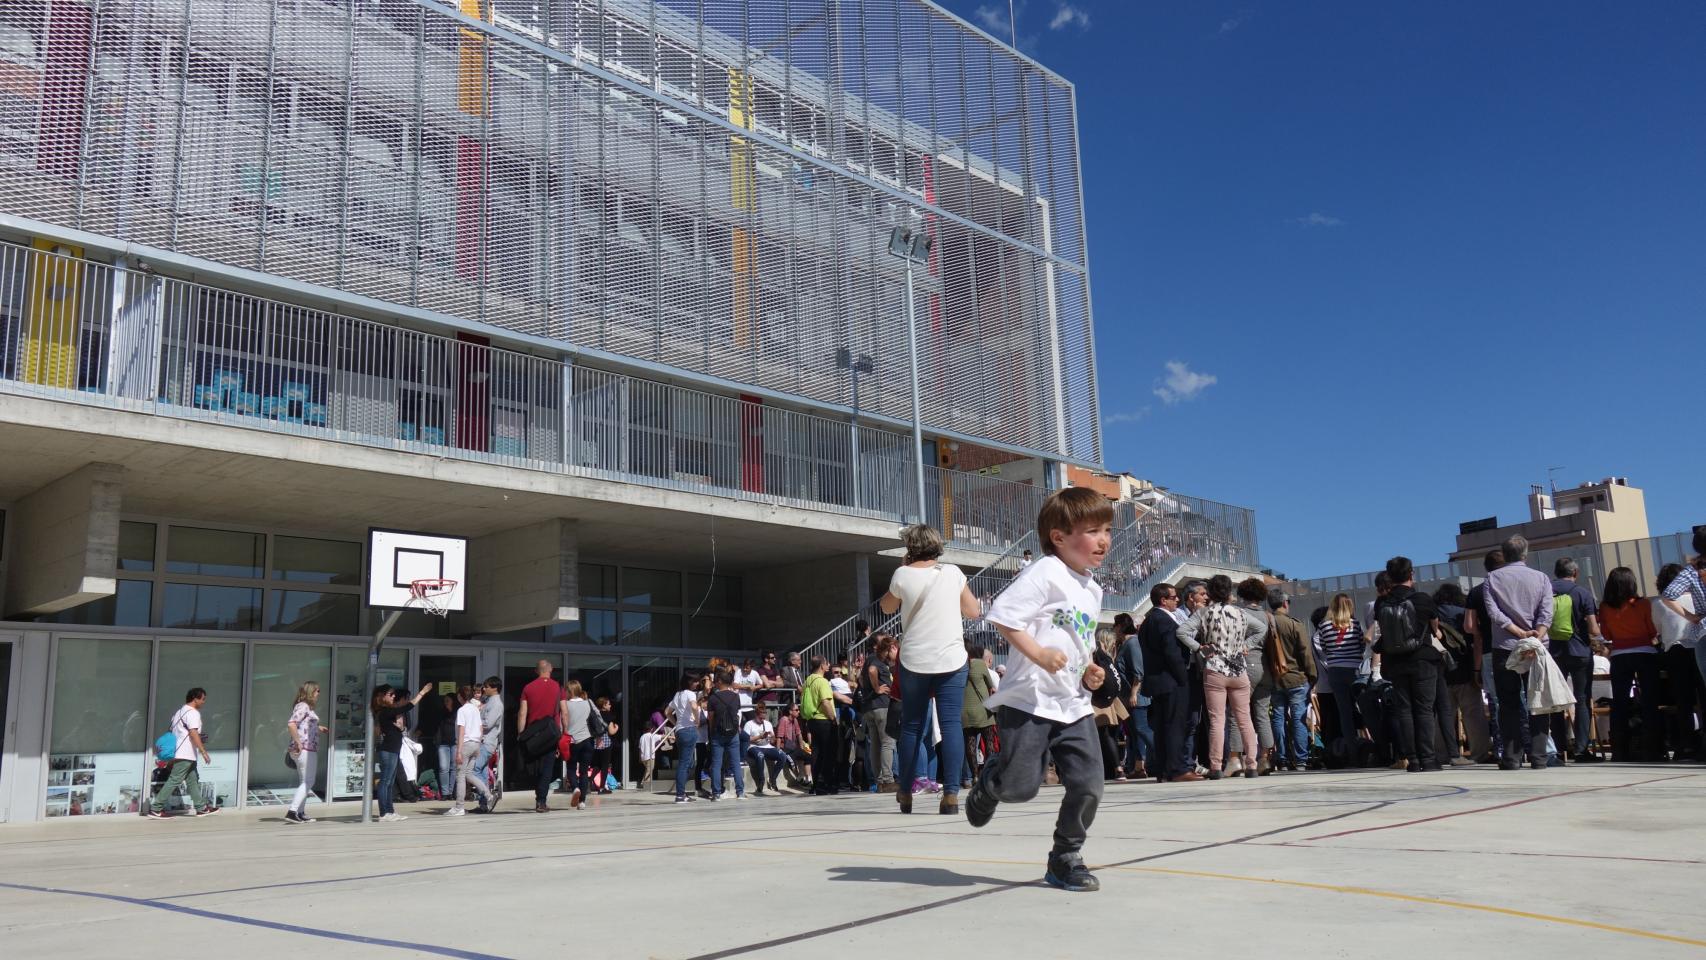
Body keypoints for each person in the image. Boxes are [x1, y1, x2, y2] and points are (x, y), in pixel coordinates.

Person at [966, 486, 1113, 893]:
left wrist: (1091, 670)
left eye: (1106, 530)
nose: (1103, 540)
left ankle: (1065, 857)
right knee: (1020, 788)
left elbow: (1080, 641)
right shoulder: (1044, 572)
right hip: (1030, 700)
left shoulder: (1093, 588)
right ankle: (993, 779)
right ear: (1059, 537)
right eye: (1092, 530)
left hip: (1073, 703)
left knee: (1088, 785)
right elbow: (1003, 617)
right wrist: (1039, 654)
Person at [879, 523, 980, 815]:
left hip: (915, 660)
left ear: (910, 548)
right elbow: (973, 611)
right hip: (951, 658)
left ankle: (906, 792)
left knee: (911, 726)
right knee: (950, 725)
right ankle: (950, 794)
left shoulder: (902, 574)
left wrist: (902, 570)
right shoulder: (952, 573)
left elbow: (886, 607)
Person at [1483, 536, 1555, 770]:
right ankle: (1539, 756)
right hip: (1536, 646)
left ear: (1504, 555)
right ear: (1526, 553)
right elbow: (1547, 611)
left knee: (1508, 702)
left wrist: (1516, 631)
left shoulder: (1492, 578)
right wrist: (1537, 633)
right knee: (1538, 700)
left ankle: (1512, 757)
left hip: (1505, 646)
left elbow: (1493, 613)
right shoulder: (1541, 578)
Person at [1178, 575, 1261, 779]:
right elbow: (1261, 628)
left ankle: (1216, 766)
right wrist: (1246, 646)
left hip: (1215, 668)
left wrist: (1200, 648)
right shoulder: (1241, 613)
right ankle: (1251, 764)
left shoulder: (1205, 613)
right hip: (1239, 669)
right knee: (1244, 719)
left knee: (1217, 720)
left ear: (1211, 592)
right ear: (1229, 591)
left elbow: (1182, 632)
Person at [1373, 556, 1444, 772]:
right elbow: (1435, 629)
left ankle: (1412, 759)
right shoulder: (1422, 599)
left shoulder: (1381, 603)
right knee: (1424, 709)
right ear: (1411, 574)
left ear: (1389, 576)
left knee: (1404, 710)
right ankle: (1428, 759)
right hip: (1422, 659)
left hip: (1395, 661)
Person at [1601, 566, 1662, 762]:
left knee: (1619, 703)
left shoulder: (1605, 606)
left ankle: (1620, 749)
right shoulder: (1643, 604)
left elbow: (1606, 635)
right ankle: (1653, 747)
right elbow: (1652, 630)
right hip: (1645, 653)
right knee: (1650, 701)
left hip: (1619, 655)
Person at [1140, 583, 1198, 782]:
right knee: (1175, 725)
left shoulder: (1149, 620)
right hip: (1172, 680)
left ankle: (1164, 768)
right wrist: (1183, 677)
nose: (1177, 600)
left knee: (1163, 726)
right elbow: (1171, 652)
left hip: (1159, 681)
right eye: (1173, 597)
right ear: (1163, 600)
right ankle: (1177, 769)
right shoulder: (1164, 620)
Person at [1551, 558, 1603, 763]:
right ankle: (1582, 749)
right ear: (1576, 572)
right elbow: (1593, 629)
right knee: (1581, 699)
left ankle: (1558, 750)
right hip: (1579, 651)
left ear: (1556, 572)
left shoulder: (1546, 591)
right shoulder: (1583, 593)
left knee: (1555, 701)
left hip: (1554, 652)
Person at [1434, 584, 1491, 764]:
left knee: (1443, 715)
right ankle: (1479, 753)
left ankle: (1442, 754)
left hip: (1442, 672)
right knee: (1473, 714)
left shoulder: (1434, 614)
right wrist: (1476, 670)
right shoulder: (1463, 613)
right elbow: (1477, 640)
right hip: (1465, 669)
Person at [1463, 550, 1508, 762]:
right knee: (1523, 698)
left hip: (1491, 650)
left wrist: (1476, 667)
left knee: (1496, 701)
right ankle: (1527, 745)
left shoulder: (1477, 592)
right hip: (1519, 646)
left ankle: (1502, 748)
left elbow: (1470, 626)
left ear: (1486, 567)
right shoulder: (1512, 587)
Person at [1266, 590, 1317, 772]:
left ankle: (1282, 758)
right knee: (1298, 719)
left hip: (1274, 679)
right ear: (1285, 603)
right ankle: (1301, 759)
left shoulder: (1265, 624)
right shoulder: (1294, 625)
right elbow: (1305, 653)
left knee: (1277, 719)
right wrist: (1312, 675)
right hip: (1296, 677)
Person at [147, 687, 217, 819]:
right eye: (202, 699)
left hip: (181, 753)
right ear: (195, 699)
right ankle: (156, 808)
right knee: (175, 780)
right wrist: (203, 751)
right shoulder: (192, 713)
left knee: (192, 780)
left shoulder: (179, 712)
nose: (203, 702)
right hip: (185, 753)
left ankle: (201, 808)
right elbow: (193, 733)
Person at [1656, 564, 1702, 760]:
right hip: (1698, 646)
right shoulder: (1695, 597)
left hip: (1674, 651)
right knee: (1703, 696)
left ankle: (1687, 745)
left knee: (1682, 701)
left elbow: (1658, 629)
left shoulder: (1659, 603)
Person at [1234, 577, 1277, 775]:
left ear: (1243, 594)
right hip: (1266, 667)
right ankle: (1265, 758)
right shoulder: (1268, 616)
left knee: (1237, 713)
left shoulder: (1240, 614)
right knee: (1262, 715)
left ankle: (1237, 758)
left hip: (1245, 664)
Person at [372, 682, 432, 821]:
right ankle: (384, 813)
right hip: (387, 750)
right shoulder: (384, 711)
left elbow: (395, 726)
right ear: (382, 696)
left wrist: (399, 729)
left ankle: (390, 811)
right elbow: (408, 706)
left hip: (393, 749)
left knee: (389, 781)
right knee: (385, 781)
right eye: (391, 694)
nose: (394, 696)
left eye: (394, 694)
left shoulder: (387, 711)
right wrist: (422, 693)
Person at [516, 659, 563, 813]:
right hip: (550, 733)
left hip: (533, 734)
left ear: (537, 671)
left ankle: (539, 794)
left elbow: (522, 712)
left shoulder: (528, 688)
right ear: (551, 670)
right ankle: (541, 801)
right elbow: (564, 712)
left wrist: (521, 734)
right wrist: (563, 732)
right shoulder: (557, 687)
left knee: (534, 766)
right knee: (547, 767)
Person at [284, 682, 329, 824]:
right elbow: (291, 723)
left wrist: (318, 727)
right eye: (317, 691)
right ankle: (292, 811)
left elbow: (304, 725)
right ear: (311, 692)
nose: (319, 694)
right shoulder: (303, 706)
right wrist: (298, 742)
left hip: (306, 748)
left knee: (305, 781)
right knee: (308, 781)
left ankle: (300, 812)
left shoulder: (305, 707)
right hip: (305, 749)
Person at [445, 685, 493, 816]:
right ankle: (488, 794)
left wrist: (459, 751)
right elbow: (480, 727)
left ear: (460, 696)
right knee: (469, 774)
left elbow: (461, 730)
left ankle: (459, 806)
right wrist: (479, 743)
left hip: (465, 744)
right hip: (476, 743)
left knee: (460, 776)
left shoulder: (462, 710)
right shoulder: (475, 709)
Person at [1114, 613, 1151, 781]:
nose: (1114, 630)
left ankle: (1163, 759)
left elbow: (1139, 671)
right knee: (1134, 734)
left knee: (1142, 729)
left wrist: (1134, 692)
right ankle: (1138, 766)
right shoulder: (1124, 644)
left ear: (1121, 626)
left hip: (1137, 697)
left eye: (1115, 626)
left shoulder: (1133, 643)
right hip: (1127, 698)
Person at [862, 633, 898, 793]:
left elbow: (860, 678)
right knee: (888, 743)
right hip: (881, 706)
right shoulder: (874, 659)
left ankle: (880, 781)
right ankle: (887, 780)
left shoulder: (872, 659)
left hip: (870, 707)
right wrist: (876, 688)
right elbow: (871, 671)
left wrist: (869, 690)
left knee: (876, 744)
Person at [801, 656, 841, 795]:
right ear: (822, 666)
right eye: (827, 663)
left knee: (816, 753)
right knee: (829, 754)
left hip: (812, 721)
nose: (828, 665)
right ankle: (827, 784)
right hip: (824, 720)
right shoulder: (822, 682)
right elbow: (825, 702)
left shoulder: (808, 681)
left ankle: (816, 784)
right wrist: (833, 719)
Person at [706, 667, 746, 800]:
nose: (715, 682)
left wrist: (712, 732)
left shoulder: (713, 698)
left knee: (717, 764)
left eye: (717, 680)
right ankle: (740, 792)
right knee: (735, 763)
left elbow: (710, 717)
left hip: (718, 733)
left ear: (720, 681)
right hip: (733, 733)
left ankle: (716, 793)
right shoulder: (735, 697)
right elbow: (737, 714)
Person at [962, 643, 998, 785]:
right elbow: (991, 685)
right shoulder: (979, 664)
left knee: (970, 744)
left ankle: (974, 776)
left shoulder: (958, 665)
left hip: (965, 711)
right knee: (989, 742)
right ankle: (988, 774)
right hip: (983, 710)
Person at [562, 680, 596, 810]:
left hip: (573, 741)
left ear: (570, 691)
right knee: (584, 772)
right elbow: (597, 717)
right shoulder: (588, 703)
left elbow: (562, 722)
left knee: (571, 768)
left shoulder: (566, 705)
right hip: (587, 740)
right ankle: (582, 802)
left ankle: (575, 788)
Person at [669, 674, 701, 803]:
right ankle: (680, 794)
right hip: (689, 729)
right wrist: (697, 720)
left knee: (687, 762)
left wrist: (675, 723)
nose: (697, 684)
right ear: (689, 682)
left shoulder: (677, 695)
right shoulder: (690, 694)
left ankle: (681, 793)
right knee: (684, 763)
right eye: (695, 681)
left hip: (680, 730)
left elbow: (667, 711)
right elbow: (694, 707)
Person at [745, 707, 790, 795]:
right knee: (760, 755)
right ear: (756, 715)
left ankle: (773, 779)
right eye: (760, 718)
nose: (762, 720)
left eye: (764, 718)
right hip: (754, 746)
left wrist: (772, 737)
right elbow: (746, 740)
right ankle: (761, 781)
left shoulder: (768, 724)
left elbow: (773, 741)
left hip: (767, 746)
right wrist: (759, 737)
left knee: (783, 755)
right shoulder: (749, 724)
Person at [477, 677, 504, 808]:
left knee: (474, 769)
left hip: (487, 742)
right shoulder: (489, 702)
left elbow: (488, 723)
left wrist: (474, 722)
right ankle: (484, 803)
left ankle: (488, 796)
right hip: (482, 741)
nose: (484, 689)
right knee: (481, 771)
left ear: (495, 688)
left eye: (487, 686)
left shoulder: (496, 704)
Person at [591, 697, 618, 793]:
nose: (610, 706)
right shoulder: (608, 716)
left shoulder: (595, 715)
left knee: (597, 765)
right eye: (608, 704)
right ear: (604, 705)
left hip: (596, 742)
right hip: (606, 742)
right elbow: (611, 731)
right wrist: (616, 728)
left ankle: (589, 782)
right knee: (605, 765)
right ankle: (602, 788)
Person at [433, 693, 458, 797]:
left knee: (454, 767)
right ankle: (444, 792)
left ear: (453, 700)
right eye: (445, 700)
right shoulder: (441, 712)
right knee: (443, 767)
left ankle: (451, 792)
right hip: (443, 743)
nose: (446, 702)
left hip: (455, 743)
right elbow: (436, 725)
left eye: (448, 700)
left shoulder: (458, 712)